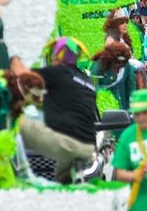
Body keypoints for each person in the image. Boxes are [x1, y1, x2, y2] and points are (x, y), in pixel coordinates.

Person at [12, 38, 98, 183]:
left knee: (14, 122)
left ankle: (17, 170)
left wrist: (13, 56)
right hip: (87, 148)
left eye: (53, 54)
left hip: (67, 144)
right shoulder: (86, 81)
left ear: (59, 55)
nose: (51, 58)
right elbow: (63, 102)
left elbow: (23, 75)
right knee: (61, 184)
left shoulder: (59, 72)